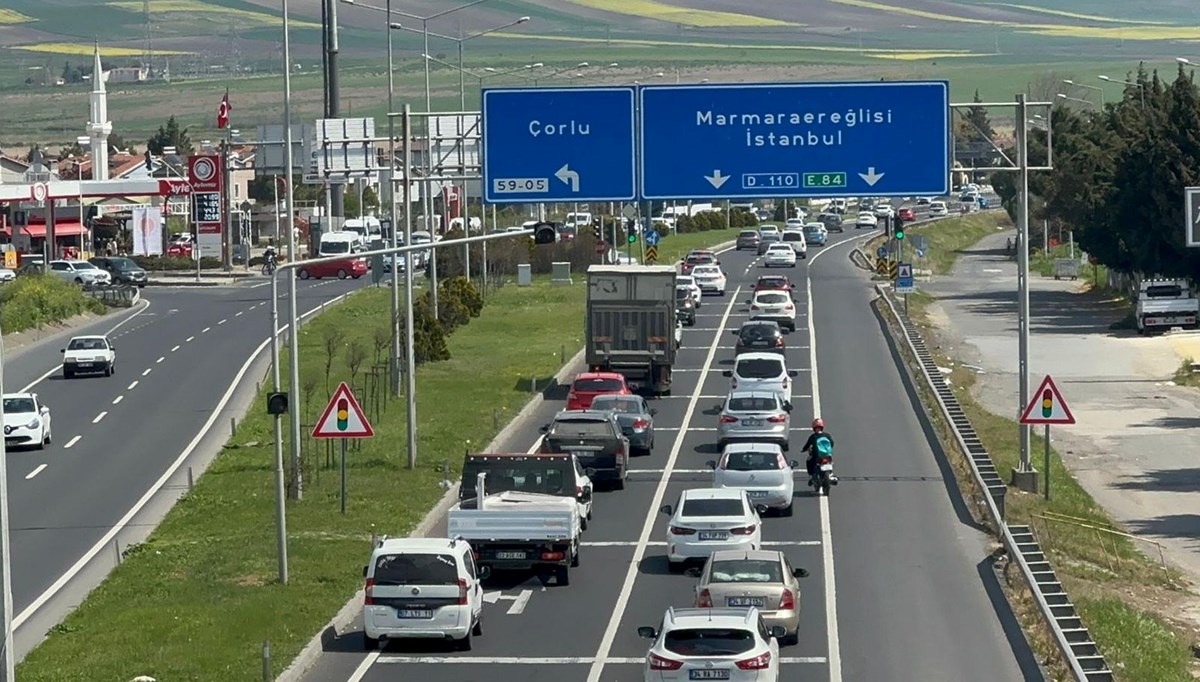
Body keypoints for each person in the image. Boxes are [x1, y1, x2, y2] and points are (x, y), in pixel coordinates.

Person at [801, 418, 834, 486]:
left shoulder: (813, 436)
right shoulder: (827, 435)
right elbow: (832, 443)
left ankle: (811, 476)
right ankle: (831, 475)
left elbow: (807, 445)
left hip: (817, 456)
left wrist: (803, 449)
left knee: (809, 461)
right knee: (830, 462)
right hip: (828, 455)